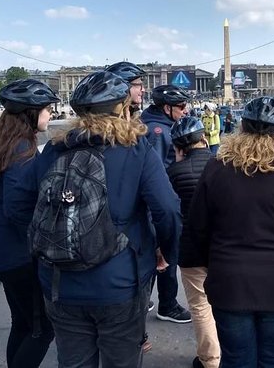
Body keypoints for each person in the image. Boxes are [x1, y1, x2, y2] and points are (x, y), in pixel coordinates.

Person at [35, 70, 182, 367]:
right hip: (119, 280)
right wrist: (167, 251)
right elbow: (167, 209)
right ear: (122, 108)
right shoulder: (136, 147)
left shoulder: (53, 148)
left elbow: (32, 207)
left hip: (59, 281)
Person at [189, 97, 274, 368]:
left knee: (237, 359)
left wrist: (198, 264)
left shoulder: (217, 167)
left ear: (241, 128)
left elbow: (197, 224)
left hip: (230, 280)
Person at [0, 79, 59, 368]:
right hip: (19, 254)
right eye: (47, 109)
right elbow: (19, 207)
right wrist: (43, 243)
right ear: (30, 113)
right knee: (42, 329)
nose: (50, 114)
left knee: (23, 324)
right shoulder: (22, 148)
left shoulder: (0, 139)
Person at [167, 117, 219, 368]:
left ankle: (210, 360)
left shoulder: (173, 172)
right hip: (223, 246)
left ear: (178, 149)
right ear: (204, 140)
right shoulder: (225, 166)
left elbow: (167, 211)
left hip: (190, 247)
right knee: (226, 301)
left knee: (200, 305)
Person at [140, 84, 192, 324]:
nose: (185, 110)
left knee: (156, 256)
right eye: (181, 106)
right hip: (159, 205)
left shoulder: (155, 124)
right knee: (165, 254)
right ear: (167, 107)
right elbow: (156, 172)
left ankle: (143, 303)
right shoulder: (159, 131)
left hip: (154, 205)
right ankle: (167, 305)